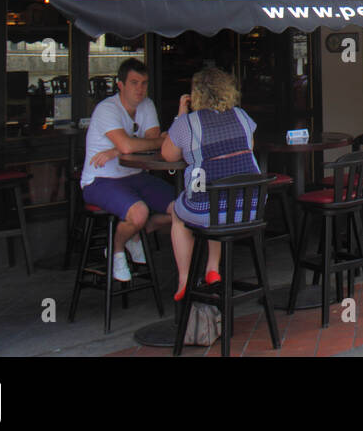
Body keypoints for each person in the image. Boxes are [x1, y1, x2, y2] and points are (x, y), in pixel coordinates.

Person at [162, 68, 261, 301]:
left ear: (196, 94)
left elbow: (168, 155)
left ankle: (185, 279)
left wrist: (180, 112)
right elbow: (250, 146)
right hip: (252, 207)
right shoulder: (241, 116)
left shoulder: (187, 123)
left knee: (179, 215)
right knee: (219, 204)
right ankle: (212, 268)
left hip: (209, 208)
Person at [80, 59, 174, 283]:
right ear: (120, 85)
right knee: (139, 213)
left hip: (135, 175)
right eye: (134, 83)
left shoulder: (147, 104)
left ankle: (132, 236)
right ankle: (117, 250)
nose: (140, 89)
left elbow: (150, 142)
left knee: (185, 208)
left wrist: (120, 148)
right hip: (100, 179)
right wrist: (124, 147)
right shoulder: (106, 109)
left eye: (144, 83)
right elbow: (140, 144)